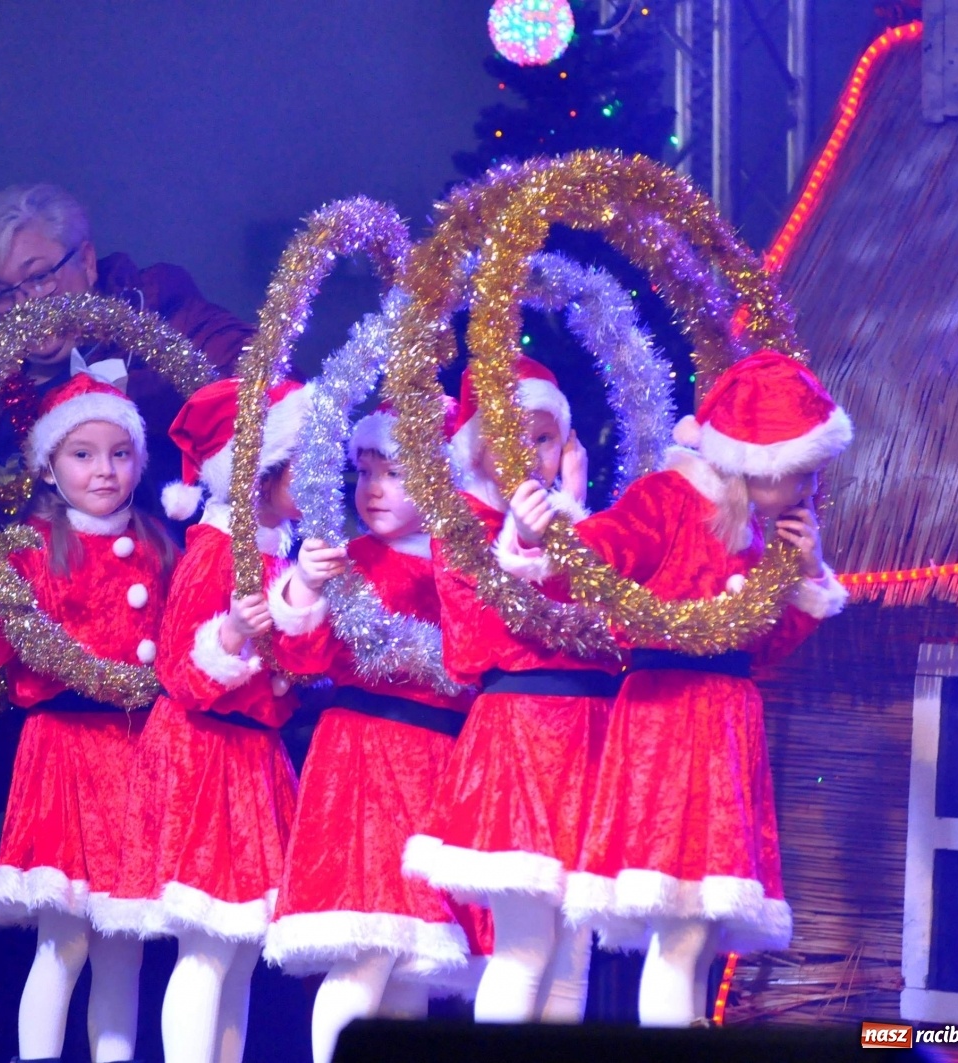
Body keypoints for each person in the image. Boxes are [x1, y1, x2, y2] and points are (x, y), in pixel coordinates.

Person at [503, 350, 853, 1026]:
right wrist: (537, 535)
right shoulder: (668, 499)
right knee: (681, 929)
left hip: (727, 726)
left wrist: (807, 572)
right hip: (669, 724)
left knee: (701, 936)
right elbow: (594, 556)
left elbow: (766, 649)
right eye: (803, 470)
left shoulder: (767, 532)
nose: (813, 486)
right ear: (761, 460)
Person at [0, 374, 173, 1063]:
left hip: (138, 752)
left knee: (122, 946)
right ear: (48, 464)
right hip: (66, 755)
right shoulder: (31, 548)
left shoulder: (161, 544)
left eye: (119, 453)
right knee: (63, 939)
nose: (103, 469)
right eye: (82, 454)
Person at [91, 379, 314, 1063]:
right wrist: (235, 639)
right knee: (210, 950)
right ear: (263, 473)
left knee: (238, 953)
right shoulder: (217, 552)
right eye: (306, 458)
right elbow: (183, 672)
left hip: (249, 758)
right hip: (204, 758)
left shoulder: (277, 553)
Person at [402, 359, 620, 1026]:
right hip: (523, 734)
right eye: (512, 432)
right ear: (478, 438)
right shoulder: (462, 521)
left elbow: (616, 628)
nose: (530, 452)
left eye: (546, 438)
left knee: (573, 947)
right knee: (525, 941)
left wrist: (573, 517)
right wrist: (521, 544)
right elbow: (471, 647)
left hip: (589, 737)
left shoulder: (583, 528)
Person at [262, 400, 480, 1063]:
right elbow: (300, 657)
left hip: (437, 765)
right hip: (363, 759)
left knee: (412, 961)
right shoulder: (348, 558)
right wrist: (301, 585)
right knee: (367, 950)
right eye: (366, 471)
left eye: (398, 471)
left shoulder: (464, 562)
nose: (376, 488)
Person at [0, 183, 255, 493]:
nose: (24, 306)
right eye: (0, 294)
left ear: (86, 261)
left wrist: (127, 394)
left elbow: (261, 380)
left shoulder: (160, 309)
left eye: (39, 278)